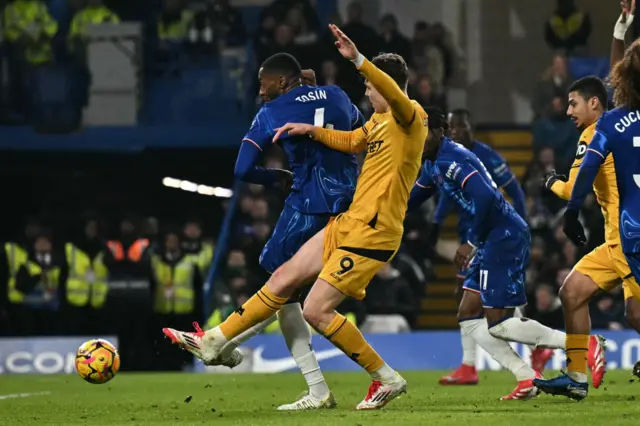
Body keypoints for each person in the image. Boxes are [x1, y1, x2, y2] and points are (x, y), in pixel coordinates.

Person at [165, 23, 427, 410]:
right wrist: (311, 129)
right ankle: (214, 341)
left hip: (374, 232)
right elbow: (354, 140)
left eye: (371, 90)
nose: (368, 97)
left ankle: (385, 377)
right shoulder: (378, 121)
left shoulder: (409, 117)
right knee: (284, 276)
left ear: (386, 85)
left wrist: (357, 60)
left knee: (316, 310)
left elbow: (387, 92)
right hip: (350, 221)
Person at [166, 52, 364, 410]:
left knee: (278, 281)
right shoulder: (336, 95)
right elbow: (360, 132)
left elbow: (242, 169)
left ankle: (224, 346)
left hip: (308, 205)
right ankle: (224, 346)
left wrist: (274, 178)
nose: (260, 91)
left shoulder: (270, 113)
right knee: (286, 288)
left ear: (283, 83)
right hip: (352, 205)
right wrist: (314, 90)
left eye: (264, 83)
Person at [408, 108, 604, 400]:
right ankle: (526, 377)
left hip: (503, 235)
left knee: (497, 322)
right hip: (492, 236)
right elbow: (412, 198)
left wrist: (471, 241)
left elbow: (487, 197)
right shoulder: (431, 161)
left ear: (438, 132)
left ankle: (581, 344)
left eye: (421, 134)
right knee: (468, 314)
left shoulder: (453, 159)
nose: (416, 140)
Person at [535, 37, 640, 401]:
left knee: (635, 314)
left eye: (573, 103)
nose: (568, 111)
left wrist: (551, 183)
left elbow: (573, 188)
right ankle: (576, 376)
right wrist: (619, 31)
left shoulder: (596, 133)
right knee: (572, 292)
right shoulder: (623, 123)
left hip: (628, 239)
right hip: (615, 241)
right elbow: (620, 77)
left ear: (594, 104)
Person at [432, 109, 529, 386]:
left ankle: (540, 347)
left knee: (494, 307)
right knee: (468, 300)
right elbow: (447, 194)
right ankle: (469, 365)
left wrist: (522, 222)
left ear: (470, 126)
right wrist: (436, 224)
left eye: (461, 125)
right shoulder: (447, 158)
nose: (456, 131)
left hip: (492, 236)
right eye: (452, 127)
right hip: (472, 234)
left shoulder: (483, 155)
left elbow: (514, 190)